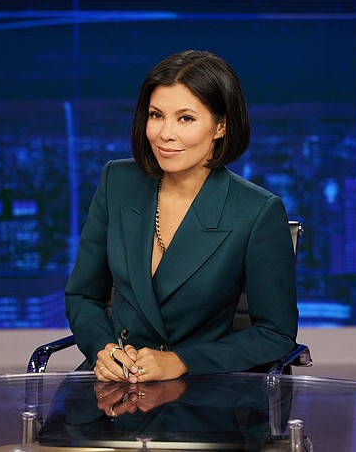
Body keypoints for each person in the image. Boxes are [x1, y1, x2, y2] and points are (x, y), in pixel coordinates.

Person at [65, 50, 298, 383]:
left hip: (200, 388)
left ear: (220, 126)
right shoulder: (116, 181)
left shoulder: (257, 211)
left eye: (185, 118)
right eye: (156, 115)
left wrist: (180, 361)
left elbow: (275, 334)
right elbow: (83, 295)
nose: (165, 133)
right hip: (115, 381)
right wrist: (104, 349)